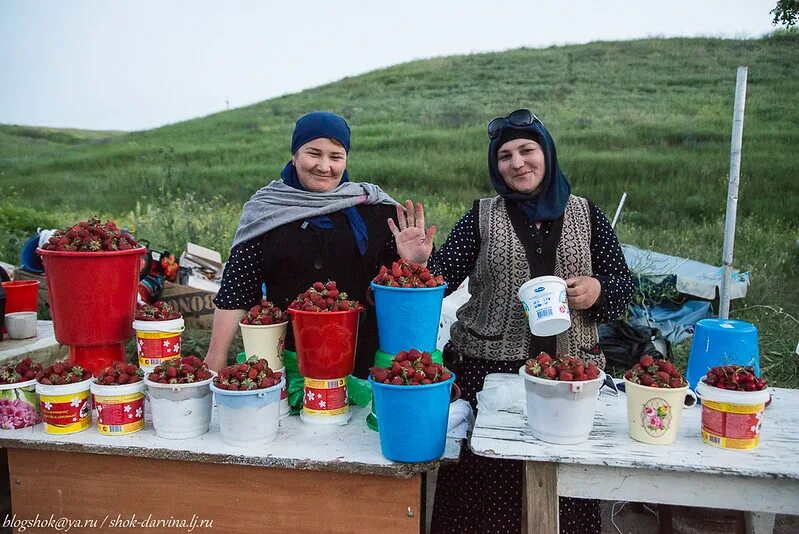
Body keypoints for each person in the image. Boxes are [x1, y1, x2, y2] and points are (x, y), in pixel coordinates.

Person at [391, 109, 634, 533]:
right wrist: (418, 265)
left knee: (566, 495)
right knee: (484, 498)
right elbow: (439, 282)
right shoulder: (482, 216)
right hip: (491, 376)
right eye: (505, 156)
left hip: (569, 378)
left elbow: (622, 289)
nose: (517, 163)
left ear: (547, 153)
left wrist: (597, 291)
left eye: (527, 150)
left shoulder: (587, 215)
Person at [204, 112, 416, 378]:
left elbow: (401, 292)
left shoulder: (374, 210)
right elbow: (238, 290)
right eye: (313, 153)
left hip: (363, 363)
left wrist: (413, 262)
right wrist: (216, 354)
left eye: (335, 156)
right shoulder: (266, 211)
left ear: (346, 160)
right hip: (286, 362)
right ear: (294, 155)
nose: (324, 166)